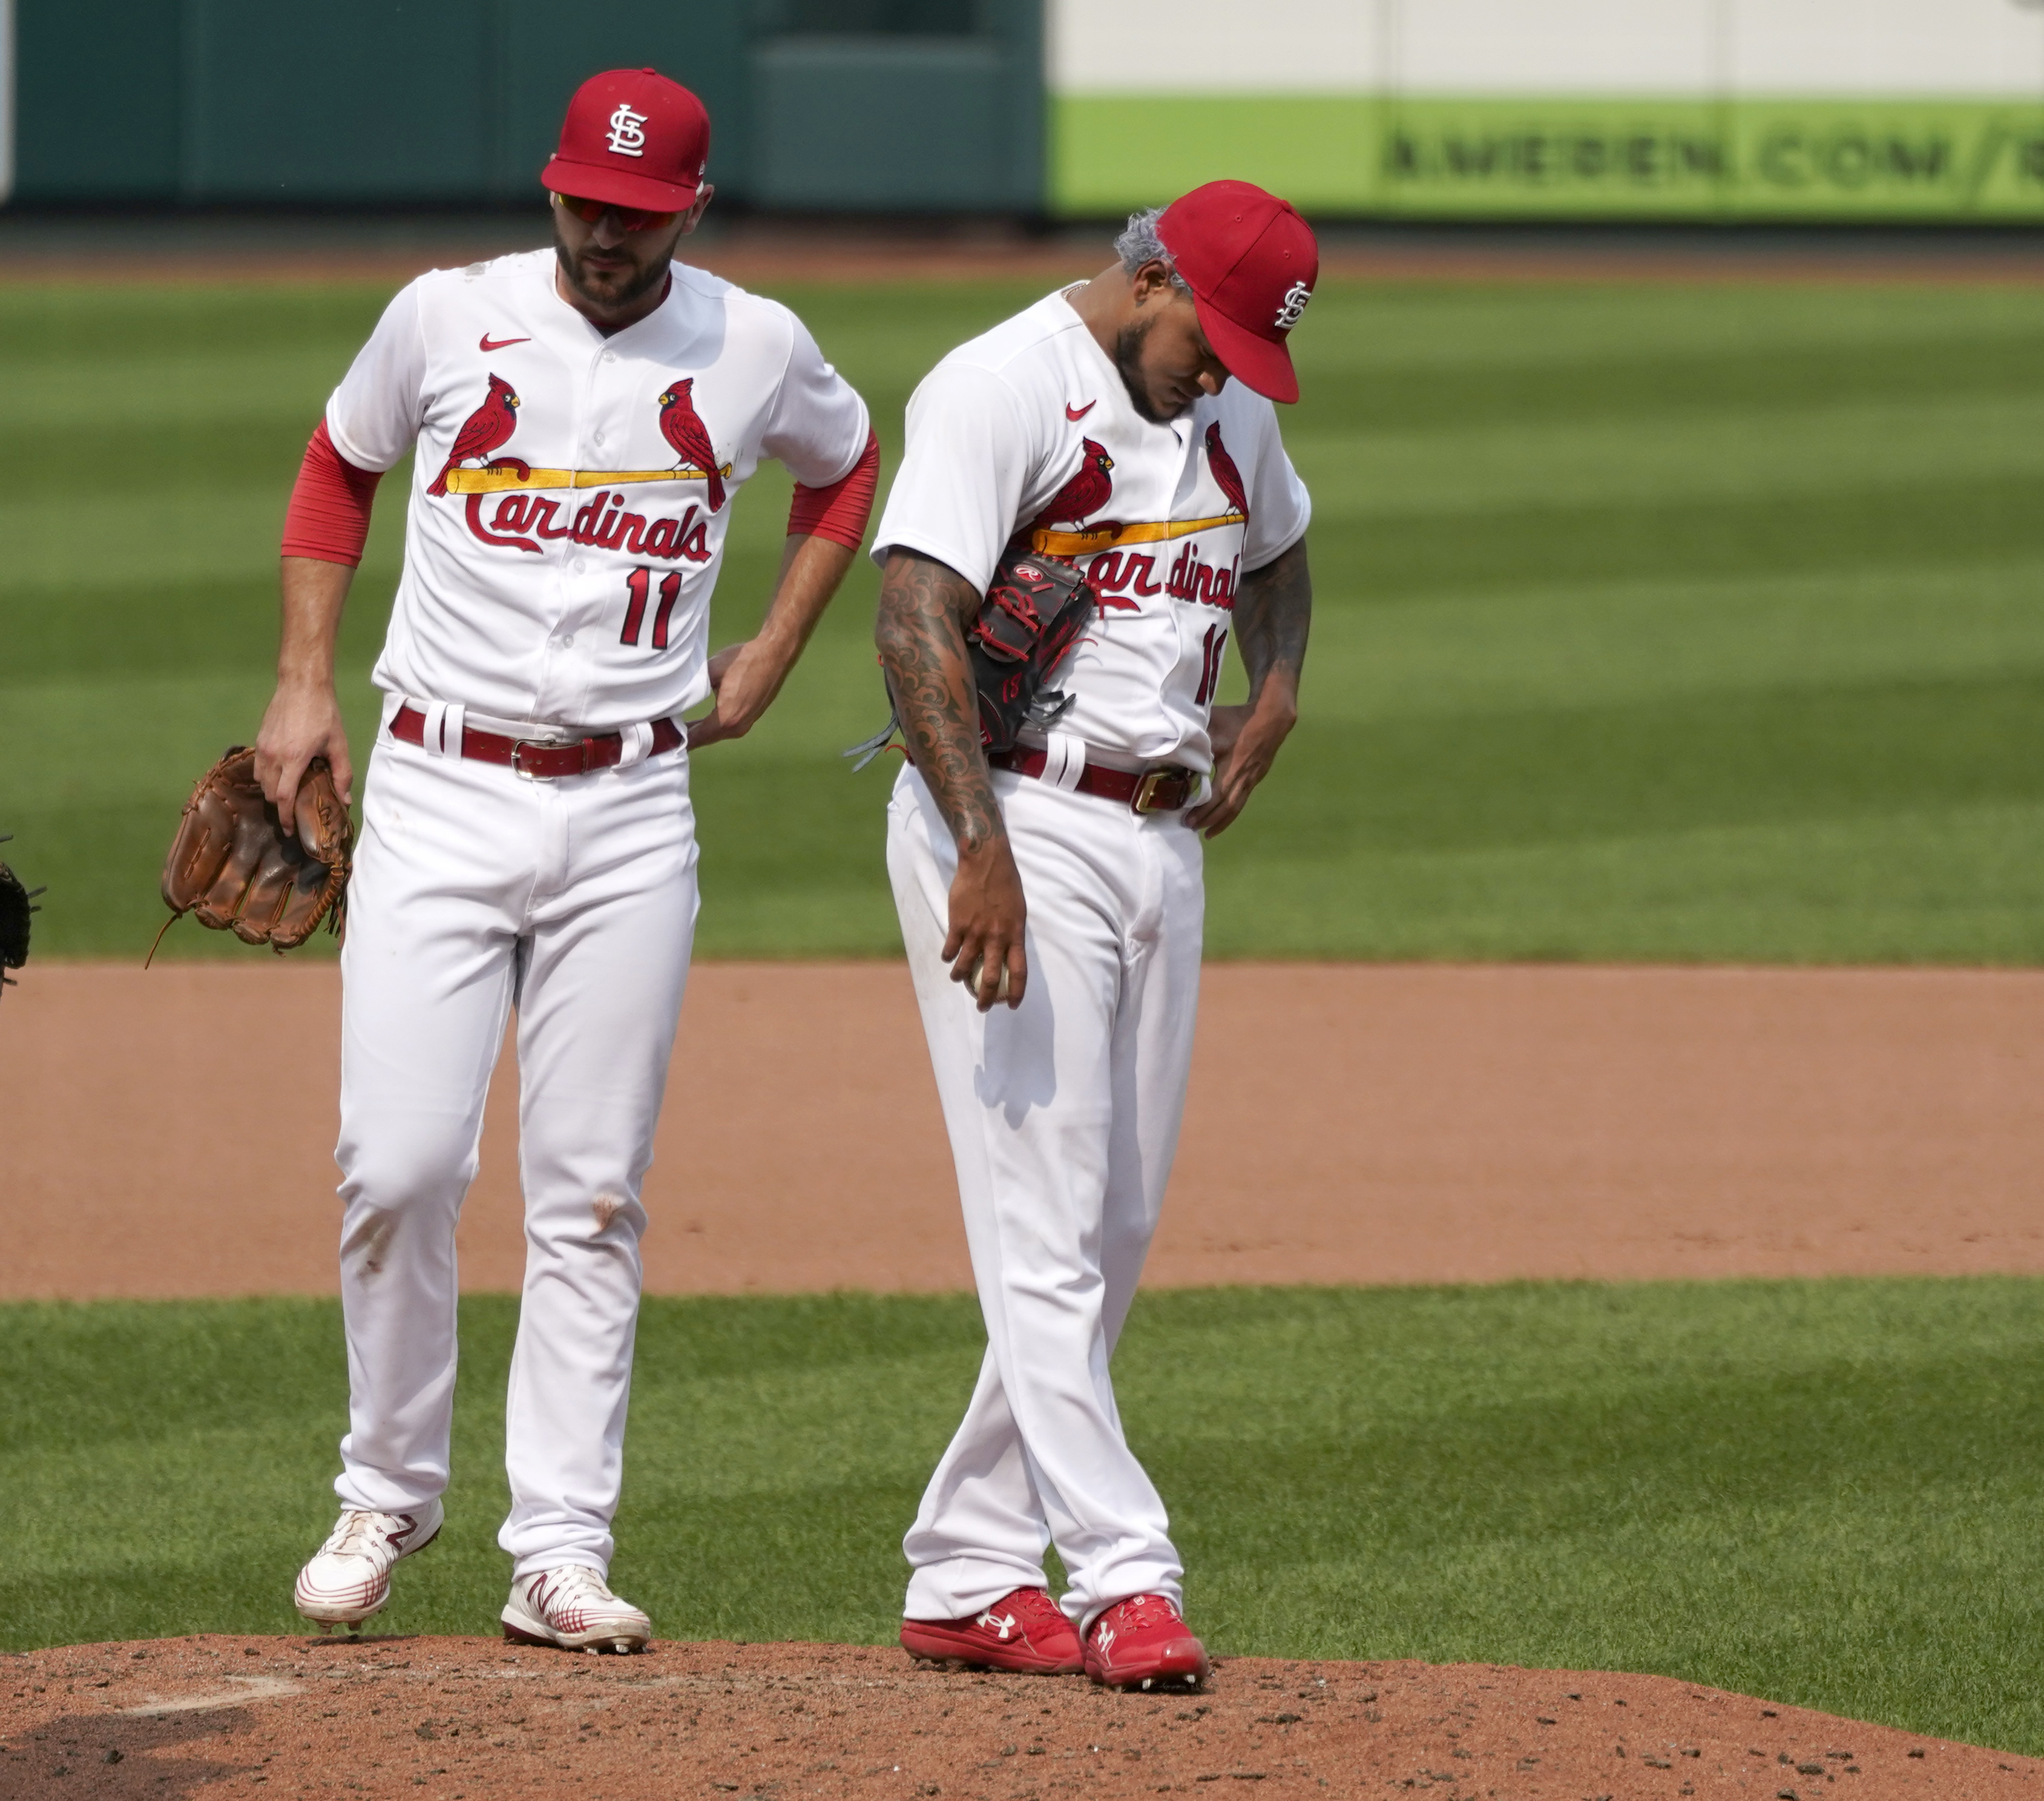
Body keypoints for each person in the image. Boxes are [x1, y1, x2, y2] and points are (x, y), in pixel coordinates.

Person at [265, 67, 878, 1652]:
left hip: (629, 810)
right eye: (585, 203)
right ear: (552, 190)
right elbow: (341, 466)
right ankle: (387, 1488)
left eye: (639, 212)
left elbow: (849, 464)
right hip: (440, 787)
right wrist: (298, 679)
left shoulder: (755, 344)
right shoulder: (442, 316)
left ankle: (561, 1545)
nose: (606, 235)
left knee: (591, 1194)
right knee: (394, 1166)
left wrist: (776, 648)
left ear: (692, 209)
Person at [867, 179, 1319, 1690]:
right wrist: (978, 851)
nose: (1227, 376)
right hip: (1011, 821)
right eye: (1217, 339)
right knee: (1046, 1215)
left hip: (1162, 835)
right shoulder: (1000, 389)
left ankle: (968, 1563)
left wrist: (1277, 690)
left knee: (1111, 1225)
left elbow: (1279, 550)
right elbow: (913, 619)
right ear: (1150, 277)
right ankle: (1127, 1573)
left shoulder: (1229, 408)